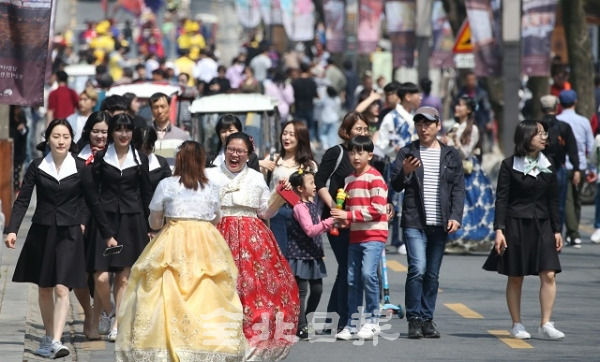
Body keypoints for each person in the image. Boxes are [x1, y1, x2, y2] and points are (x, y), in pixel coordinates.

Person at [115, 141, 246, 361]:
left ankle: (165, 346)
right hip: (206, 243)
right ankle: (206, 347)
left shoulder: (167, 184)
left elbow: (155, 218)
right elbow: (216, 217)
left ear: (179, 160)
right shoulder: (211, 186)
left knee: (162, 290)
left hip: (173, 239)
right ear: (202, 161)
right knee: (208, 292)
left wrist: (158, 225)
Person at [5, 119, 116, 358]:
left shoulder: (80, 167)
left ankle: (56, 340)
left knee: (62, 288)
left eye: (65, 136)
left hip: (70, 233)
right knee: (44, 288)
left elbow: (93, 202)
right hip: (42, 232)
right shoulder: (36, 166)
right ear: (48, 139)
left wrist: (107, 234)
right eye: (56, 136)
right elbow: (23, 199)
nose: (61, 141)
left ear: (71, 139)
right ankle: (48, 336)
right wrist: (12, 228)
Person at [207, 132, 299, 360]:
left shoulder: (256, 177)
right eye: (231, 149)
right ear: (224, 149)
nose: (235, 155)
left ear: (248, 155)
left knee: (254, 292)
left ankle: (251, 344)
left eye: (240, 151)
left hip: (252, 241)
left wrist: (280, 195)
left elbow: (265, 211)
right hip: (217, 236)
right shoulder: (209, 175)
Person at [482, 120, 565, 340]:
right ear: (527, 137)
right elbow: (502, 200)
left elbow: (553, 200)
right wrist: (499, 229)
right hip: (515, 224)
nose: (544, 137)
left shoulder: (549, 164)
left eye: (544, 133)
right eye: (539, 133)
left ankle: (546, 322)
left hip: (543, 224)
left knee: (548, 273)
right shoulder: (509, 165)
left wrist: (557, 229)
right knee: (516, 275)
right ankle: (516, 324)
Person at [390, 106, 465, 339]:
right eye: (419, 124)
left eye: (429, 124)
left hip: (440, 223)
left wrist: (455, 216)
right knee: (417, 269)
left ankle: (427, 319)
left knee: (432, 274)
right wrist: (405, 172)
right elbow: (396, 185)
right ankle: (413, 319)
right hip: (414, 221)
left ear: (438, 125)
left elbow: (458, 189)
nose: (424, 128)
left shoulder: (451, 155)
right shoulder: (407, 152)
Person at [87, 113, 153, 342]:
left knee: (124, 278)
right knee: (101, 277)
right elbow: (92, 194)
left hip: (131, 222)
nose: (123, 134)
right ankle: (110, 310)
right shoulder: (102, 158)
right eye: (119, 129)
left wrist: (152, 225)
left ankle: (117, 324)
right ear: (111, 132)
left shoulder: (140, 159)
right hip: (105, 223)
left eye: (128, 129)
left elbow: (146, 194)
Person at [314, 111, 369, 334]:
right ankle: (343, 320)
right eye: (358, 129)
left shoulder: (367, 155)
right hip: (338, 223)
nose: (362, 133)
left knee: (349, 270)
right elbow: (319, 181)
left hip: (360, 221)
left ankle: (334, 320)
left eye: (365, 130)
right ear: (346, 132)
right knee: (348, 268)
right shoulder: (336, 153)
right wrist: (334, 209)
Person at [331, 135, 388, 341]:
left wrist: (347, 216)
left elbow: (378, 209)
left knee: (367, 275)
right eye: (352, 152)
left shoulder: (376, 178)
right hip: (355, 235)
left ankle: (372, 321)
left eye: (361, 152)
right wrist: (342, 220)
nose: (356, 156)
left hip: (374, 234)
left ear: (370, 155)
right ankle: (352, 323)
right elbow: (350, 211)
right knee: (352, 279)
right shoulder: (348, 181)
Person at [445, 95, 495, 254]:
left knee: (468, 205)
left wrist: (454, 141)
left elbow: (465, 153)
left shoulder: (472, 129)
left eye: (460, 105)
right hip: (452, 169)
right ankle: (454, 238)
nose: (457, 108)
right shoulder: (455, 126)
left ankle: (465, 238)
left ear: (469, 109)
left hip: (467, 172)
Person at [287, 169, 334, 340]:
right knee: (302, 292)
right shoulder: (299, 207)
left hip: (313, 254)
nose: (315, 186)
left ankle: (304, 320)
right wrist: (330, 222)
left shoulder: (314, 204)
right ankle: (301, 326)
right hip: (299, 254)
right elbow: (310, 230)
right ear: (300, 188)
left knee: (318, 290)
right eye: (311, 183)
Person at [262, 120, 317, 257]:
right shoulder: (272, 159)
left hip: (299, 214)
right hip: (275, 213)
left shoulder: (309, 165)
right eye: (285, 133)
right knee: (278, 255)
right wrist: (259, 163)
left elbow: (312, 194)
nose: (286, 138)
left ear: (301, 138)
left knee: (297, 258)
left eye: (292, 134)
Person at [555, 90, 594, 248]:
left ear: (560, 103)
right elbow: (591, 145)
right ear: (575, 102)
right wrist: (592, 167)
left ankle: (573, 232)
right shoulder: (583, 121)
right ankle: (573, 232)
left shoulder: (558, 120)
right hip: (581, 165)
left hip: (565, 165)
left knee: (568, 200)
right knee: (576, 200)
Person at [539, 95, 580, 238]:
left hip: (538, 168)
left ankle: (542, 236)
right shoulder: (564, 127)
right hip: (559, 168)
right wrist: (576, 168)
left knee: (539, 203)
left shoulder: (535, 126)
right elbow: (572, 149)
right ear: (557, 107)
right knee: (559, 205)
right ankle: (557, 235)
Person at [454, 71, 493, 153]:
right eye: (469, 79)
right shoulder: (461, 93)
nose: (471, 82)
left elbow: (487, 108)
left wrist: (489, 121)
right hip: (465, 122)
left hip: (479, 122)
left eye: (473, 79)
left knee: (478, 147)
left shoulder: (481, 93)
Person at [132, 126, 172, 192]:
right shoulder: (128, 162)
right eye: (140, 151)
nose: (144, 154)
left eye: (147, 150)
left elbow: (169, 188)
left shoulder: (161, 163)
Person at [292, 63, 319, 140]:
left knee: (298, 126)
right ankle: (309, 142)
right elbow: (315, 94)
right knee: (310, 126)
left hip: (298, 107)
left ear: (300, 70)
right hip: (309, 106)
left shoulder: (295, 82)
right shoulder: (312, 82)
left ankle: (299, 141)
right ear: (308, 70)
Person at [9, 105, 28, 193]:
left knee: (16, 182)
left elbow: (25, 132)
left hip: (18, 154)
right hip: (9, 153)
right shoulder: (9, 117)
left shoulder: (22, 116)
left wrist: (22, 128)